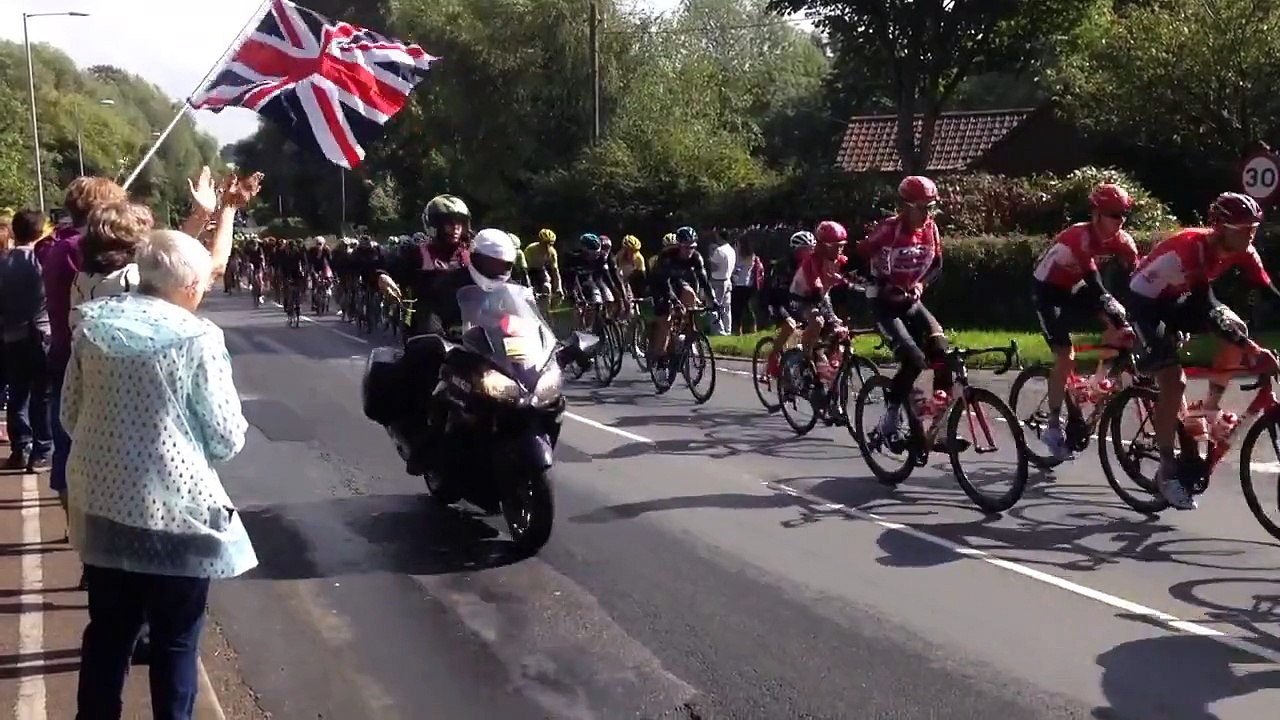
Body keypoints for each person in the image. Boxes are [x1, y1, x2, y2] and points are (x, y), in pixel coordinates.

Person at [66, 229, 252, 720]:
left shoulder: (93, 325)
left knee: (107, 634)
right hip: (176, 515)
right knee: (175, 642)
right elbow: (226, 438)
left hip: (102, 508)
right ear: (190, 285)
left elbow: (70, 414)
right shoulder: (198, 338)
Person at [1128, 192, 1280, 510]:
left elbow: (1269, 292)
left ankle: (1207, 409)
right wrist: (1251, 351)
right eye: (1243, 229)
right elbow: (1206, 305)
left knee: (1236, 327)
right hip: (1147, 304)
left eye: (1253, 228)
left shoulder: (1244, 250)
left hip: (1179, 298)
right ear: (1221, 227)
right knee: (1174, 379)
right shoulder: (1191, 247)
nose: (1250, 235)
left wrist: (1245, 341)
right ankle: (1167, 470)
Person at [375, 229, 518, 474]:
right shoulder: (449, 281)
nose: (495, 269)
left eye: (501, 264)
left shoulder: (511, 287)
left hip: (495, 349)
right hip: (457, 347)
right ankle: (424, 446)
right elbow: (431, 311)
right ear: (475, 258)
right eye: (489, 262)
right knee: (438, 387)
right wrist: (437, 335)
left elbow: (525, 318)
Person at [1031, 183, 1140, 461]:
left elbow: (1139, 279)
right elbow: (1094, 282)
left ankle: (1094, 384)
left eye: (1123, 214)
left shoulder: (1122, 241)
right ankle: (1053, 426)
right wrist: (1112, 306)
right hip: (1047, 292)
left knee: (1122, 331)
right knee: (1065, 356)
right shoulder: (1079, 236)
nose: (1120, 221)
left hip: (1074, 288)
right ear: (1096, 214)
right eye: (1113, 214)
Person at [857, 175, 953, 443]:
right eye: (923, 207)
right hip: (883, 305)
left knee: (943, 354)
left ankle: (940, 425)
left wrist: (920, 284)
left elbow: (937, 266)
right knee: (913, 359)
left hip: (911, 301)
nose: (928, 213)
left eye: (932, 207)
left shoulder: (931, 229)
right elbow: (860, 252)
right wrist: (878, 280)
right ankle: (890, 417)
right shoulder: (889, 229)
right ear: (907, 206)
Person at [0, 209, 53, 472]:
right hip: (41, 334)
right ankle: (42, 451)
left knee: (17, 393)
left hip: (11, 335)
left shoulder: (3, 264)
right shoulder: (42, 261)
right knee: (41, 395)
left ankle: (21, 446)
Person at [787, 221, 851, 383]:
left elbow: (843, 281)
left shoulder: (838, 260)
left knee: (840, 329)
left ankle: (827, 363)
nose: (839, 250)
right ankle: (806, 357)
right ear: (823, 246)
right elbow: (817, 288)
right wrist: (831, 316)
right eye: (835, 246)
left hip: (821, 296)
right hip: (800, 298)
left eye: (841, 246)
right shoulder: (811, 261)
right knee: (817, 321)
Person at [647, 226, 714, 367]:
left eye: (692, 247)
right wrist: (674, 301)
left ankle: (688, 334)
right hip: (660, 285)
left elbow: (703, 280)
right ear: (678, 245)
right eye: (686, 247)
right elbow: (664, 284)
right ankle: (660, 356)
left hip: (677, 282)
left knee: (689, 295)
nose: (689, 251)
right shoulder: (666, 256)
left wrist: (713, 300)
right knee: (665, 319)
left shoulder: (696, 257)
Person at [760, 231, 816, 379]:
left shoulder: (812, 265)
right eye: (806, 249)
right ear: (796, 250)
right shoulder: (782, 266)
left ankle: (806, 362)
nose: (809, 252)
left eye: (812, 249)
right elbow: (773, 292)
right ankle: (773, 358)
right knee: (790, 325)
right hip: (775, 301)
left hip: (796, 301)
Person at [730, 236, 763, 334]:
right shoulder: (751, 255)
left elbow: (735, 267)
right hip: (749, 284)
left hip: (738, 284)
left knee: (737, 310)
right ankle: (753, 328)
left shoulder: (737, 254)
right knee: (748, 308)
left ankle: (737, 330)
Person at [706, 230, 736, 335]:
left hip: (718, 280)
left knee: (714, 306)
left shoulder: (719, 251)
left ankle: (719, 331)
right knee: (726, 307)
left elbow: (714, 267)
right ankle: (728, 329)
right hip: (728, 280)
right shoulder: (732, 250)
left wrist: (709, 257)